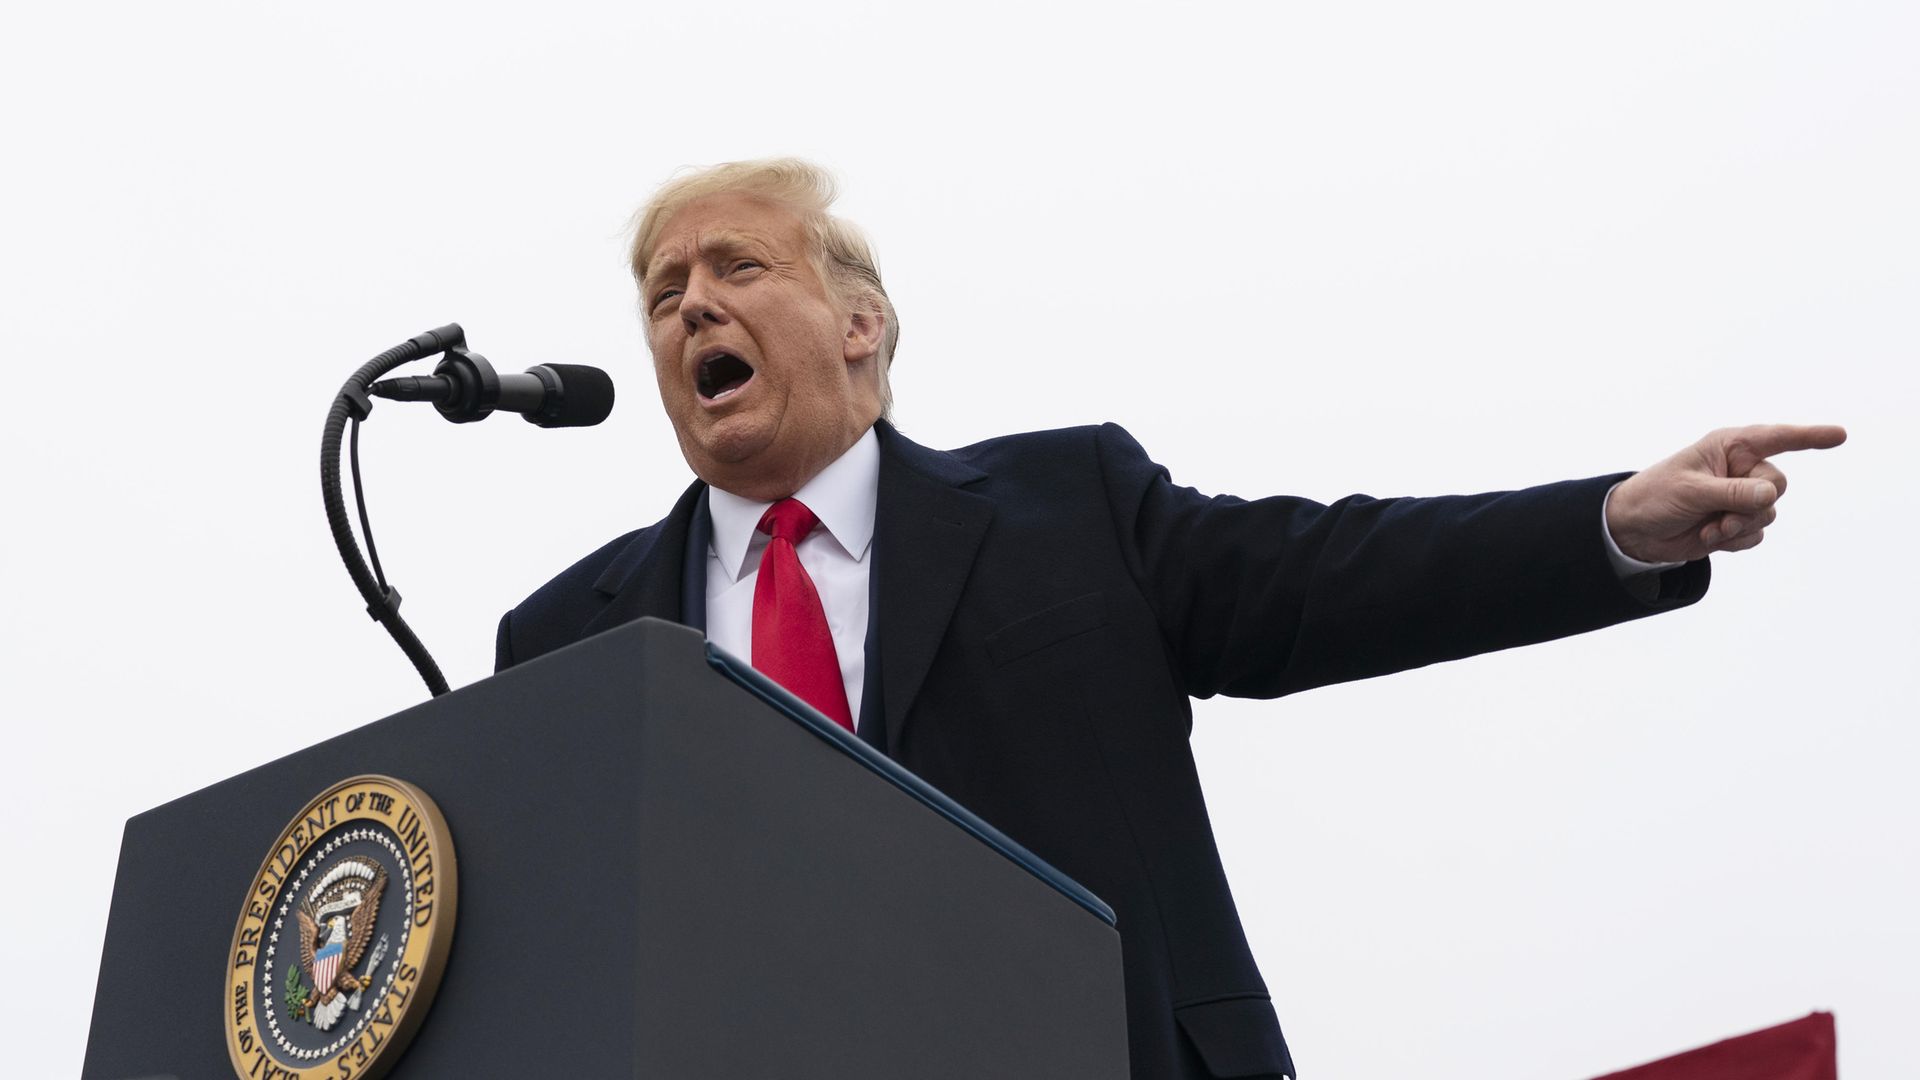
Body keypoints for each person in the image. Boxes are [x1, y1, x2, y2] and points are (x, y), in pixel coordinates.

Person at [495, 158, 1845, 1080]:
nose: (692, 309)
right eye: (664, 295)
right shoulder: (570, 644)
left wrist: (1608, 523)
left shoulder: (1065, 509)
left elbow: (1335, 573)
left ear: (861, 324)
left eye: (737, 267)